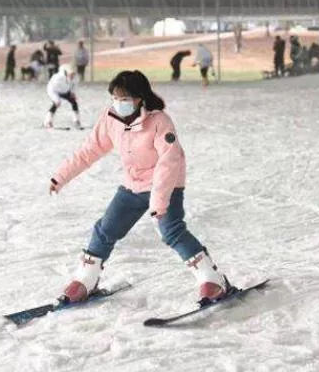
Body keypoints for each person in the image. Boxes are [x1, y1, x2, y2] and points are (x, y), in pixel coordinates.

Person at [48, 70, 231, 304]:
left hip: (165, 184)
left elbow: (169, 161)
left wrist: (158, 203)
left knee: (171, 230)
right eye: (115, 97)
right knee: (106, 229)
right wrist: (60, 177)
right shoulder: (110, 118)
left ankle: (212, 280)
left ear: (139, 98)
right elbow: (88, 151)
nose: (118, 103)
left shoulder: (159, 121)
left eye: (124, 98)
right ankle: (85, 279)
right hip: (133, 185)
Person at [43, 64, 81, 129]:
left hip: (65, 91)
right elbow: (51, 88)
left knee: (74, 102)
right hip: (55, 91)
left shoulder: (75, 78)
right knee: (56, 103)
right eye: (70, 74)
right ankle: (47, 121)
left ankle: (76, 120)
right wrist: (56, 99)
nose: (72, 76)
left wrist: (72, 92)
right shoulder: (57, 78)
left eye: (73, 74)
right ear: (66, 73)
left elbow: (74, 85)